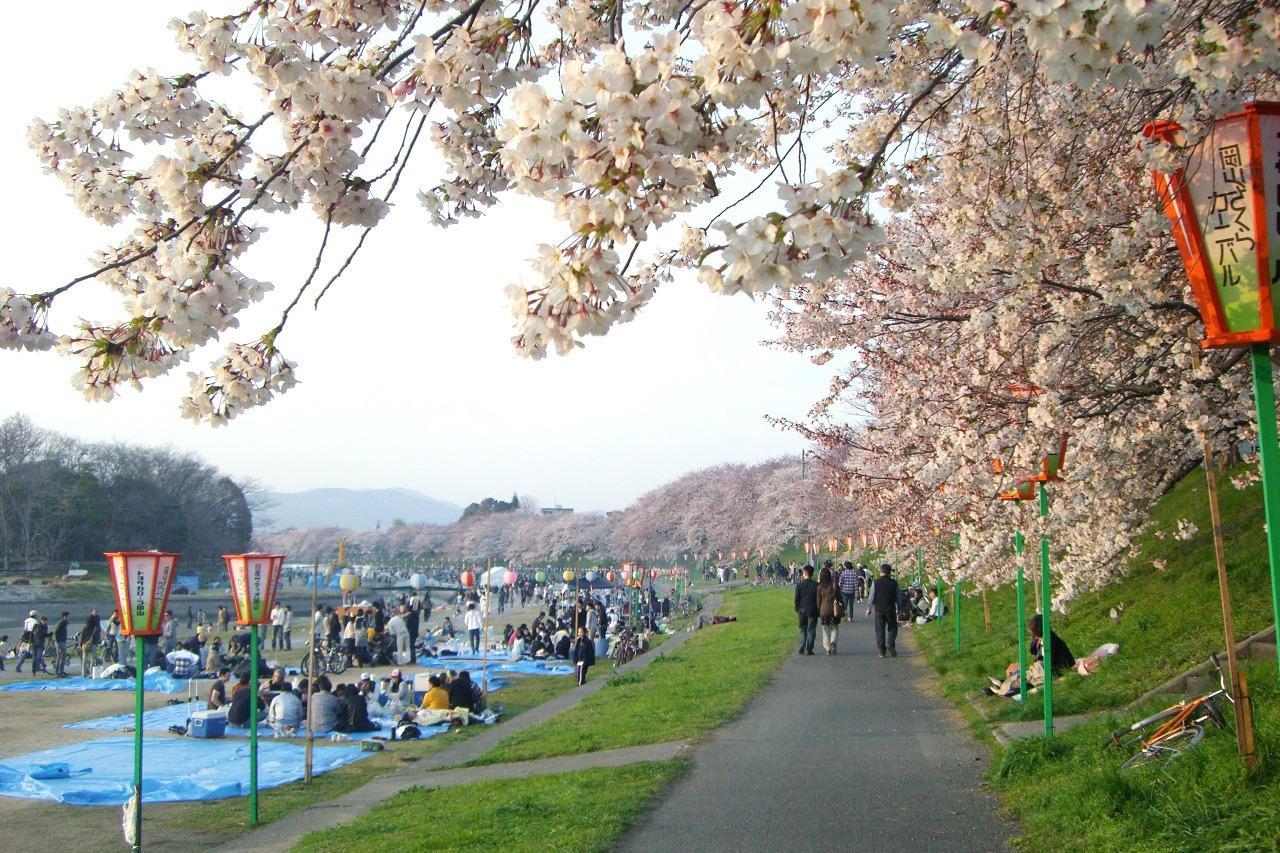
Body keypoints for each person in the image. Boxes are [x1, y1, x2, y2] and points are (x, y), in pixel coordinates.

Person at [865, 563, 900, 658]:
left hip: (879, 609)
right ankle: (890, 644)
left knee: (880, 629)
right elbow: (899, 597)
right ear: (890, 572)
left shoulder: (876, 582)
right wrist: (900, 609)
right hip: (890, 608)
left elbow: (872, 596)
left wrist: (869, 608)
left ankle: (881, 651)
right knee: (893, 627)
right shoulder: (894, 583)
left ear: (881, 572)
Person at [794, 565, 819, 656]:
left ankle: (803, 643)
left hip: (802, 609)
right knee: (811, 629)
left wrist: (797, 608)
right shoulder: (816, 585)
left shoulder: (799, 585)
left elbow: (797, 598)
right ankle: (809, 648)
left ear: (805, 573)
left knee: (802, 628)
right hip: (813, 609)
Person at [816, 567, 841, 655]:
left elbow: (818, 601)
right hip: (834, 610)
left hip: (824, 610)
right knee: (835, 628)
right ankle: (833, 642)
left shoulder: (819, 587)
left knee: (825, 630)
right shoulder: (834, 585)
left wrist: (818, 611)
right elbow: (839, 597)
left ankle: (827, 649)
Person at [53, 611, 70, 677]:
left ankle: (59, 672)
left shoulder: (64, 623)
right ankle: (60, 672)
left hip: (62, 641)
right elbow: (55, 632)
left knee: (61, 657)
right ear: (65, 616)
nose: (69, 618)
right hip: (60, 642)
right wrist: (57, 642)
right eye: (68, 616)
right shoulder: (61, 623)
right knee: (61, 657)